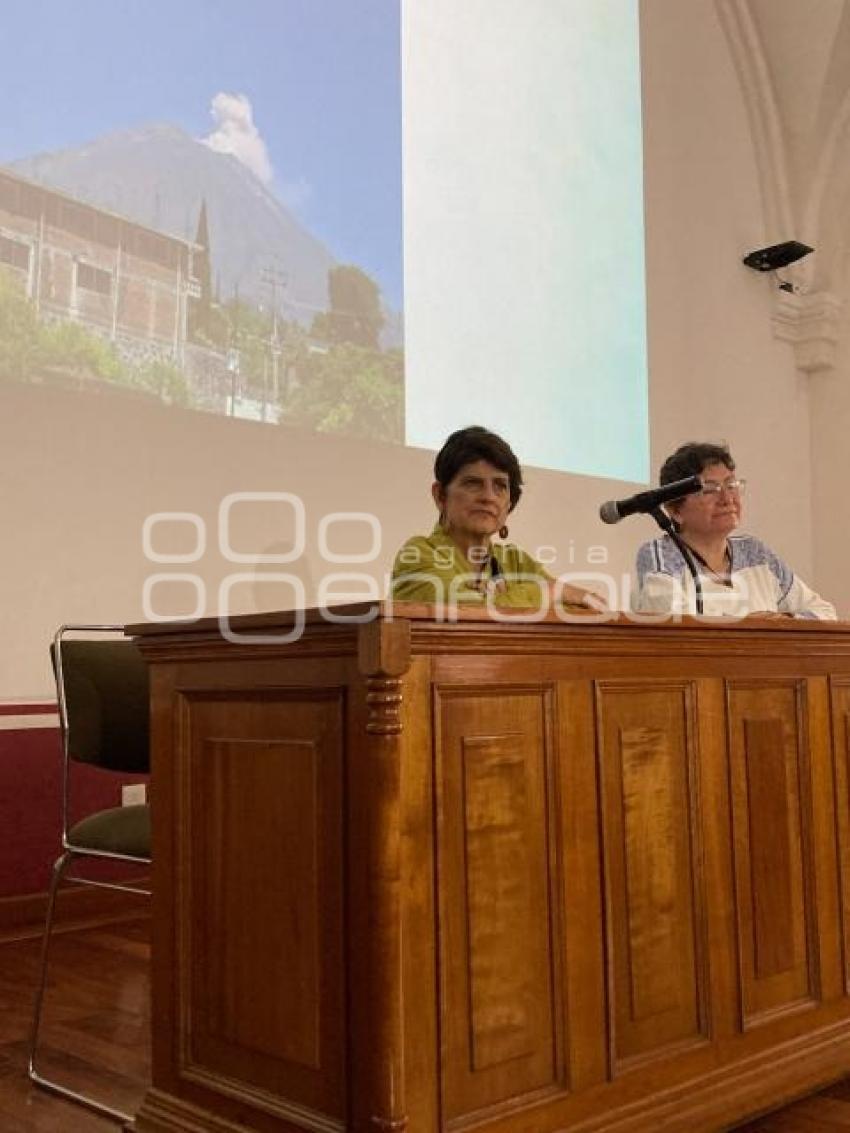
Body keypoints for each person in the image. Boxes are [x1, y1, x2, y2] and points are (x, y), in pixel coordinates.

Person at [391, 426, 602, 611]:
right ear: (440, 495)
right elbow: (469, 614)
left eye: (500, 486)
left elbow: (583, 608)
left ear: (509, 504)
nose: (488, 497)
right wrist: (546, 591)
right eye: (473, 483)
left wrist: (513, 597)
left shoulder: (516, 563)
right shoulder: (417, 555)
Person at [633, 441, 836, 619]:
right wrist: (750, 627)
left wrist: (784, 621)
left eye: (731, 485)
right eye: (710, 489)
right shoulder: (662, 553)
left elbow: (824, 612)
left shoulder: (755, 553)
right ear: (675, 510)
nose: (727, 499)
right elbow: (675, 627)